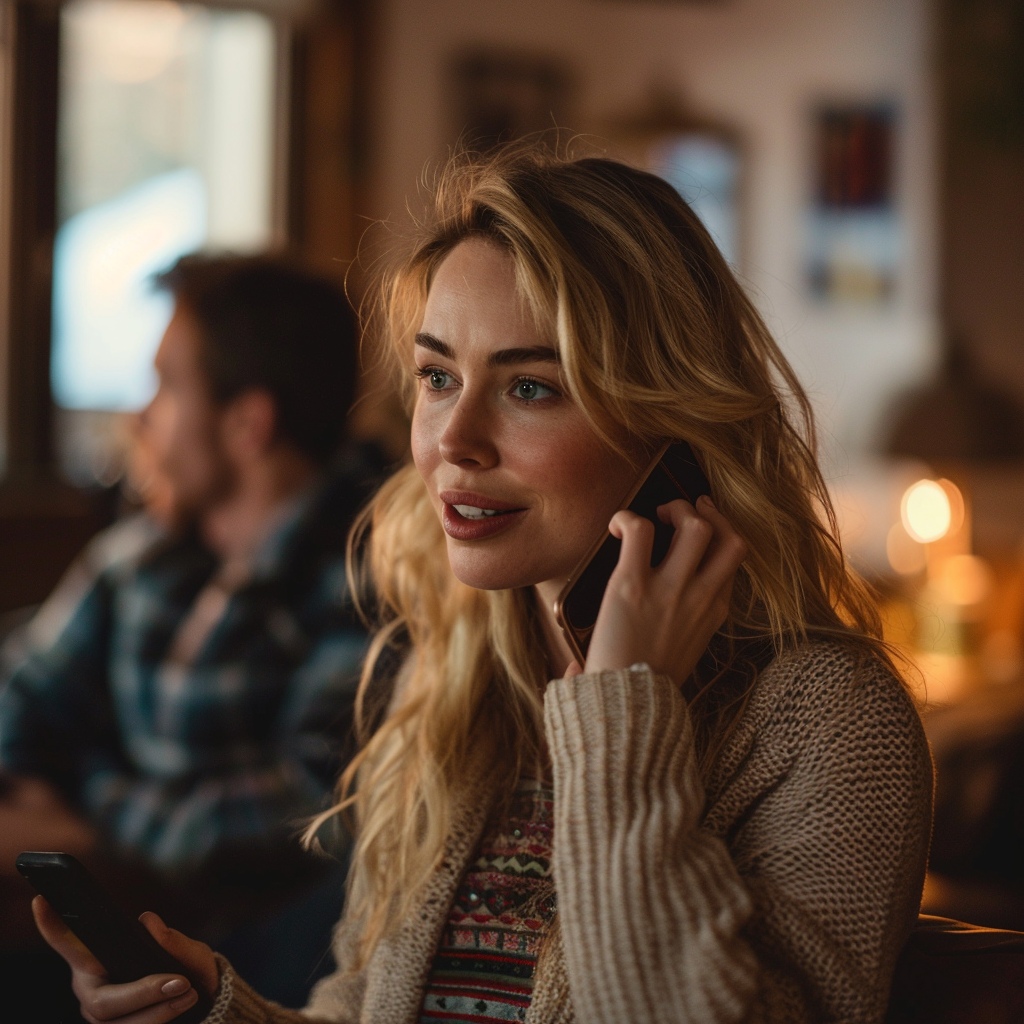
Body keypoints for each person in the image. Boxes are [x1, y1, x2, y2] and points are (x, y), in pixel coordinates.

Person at [36, 148, 933, 1024]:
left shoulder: (832, 724)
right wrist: (220, 1013)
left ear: (671, 424)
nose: (452, 439)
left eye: (531, 387)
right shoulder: (455, 687)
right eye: (437, 377)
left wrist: (624, 709)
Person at [2, 253, 382, 1008]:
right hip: (125, 913)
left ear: (248, 422)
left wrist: (87, 827)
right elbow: (20, 700)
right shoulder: (147, 553)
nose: (140, 417)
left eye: (168, 386)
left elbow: (311, 817)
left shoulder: (368, 570)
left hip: (273, 955)